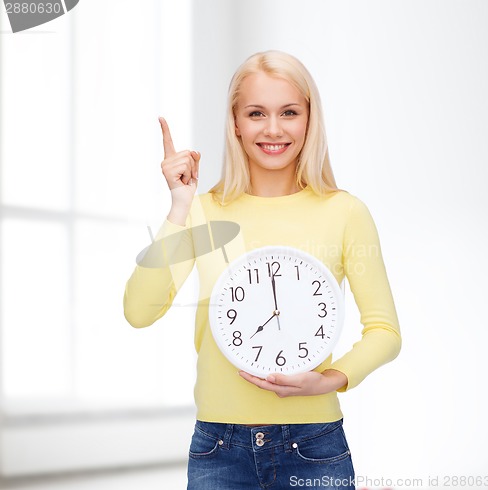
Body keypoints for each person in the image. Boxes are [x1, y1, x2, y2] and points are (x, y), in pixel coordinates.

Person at [123, 50, 402, 489]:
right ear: (235, 122)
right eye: (257, 113)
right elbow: (139, 311)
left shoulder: (345, 212)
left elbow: (385, 331)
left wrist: (328, 381)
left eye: (289, 112)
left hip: (313, 446)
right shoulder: (201, 211)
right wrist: (179, 207)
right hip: (219, 447)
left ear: (309, 120)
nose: (273, 129)